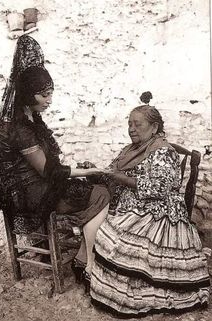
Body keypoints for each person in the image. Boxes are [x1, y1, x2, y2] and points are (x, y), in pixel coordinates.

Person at [0, 35, 110, 281]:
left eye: (51, 94)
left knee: (94, 189)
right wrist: (87, 172)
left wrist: (77, 170)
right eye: (44, 95)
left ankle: (82, 256)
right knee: (102, 193)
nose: (49, 101)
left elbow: (49, 164)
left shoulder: (32, 120)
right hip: (34, 195)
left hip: (39, 187)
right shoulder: (20, 128)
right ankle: (86, 262)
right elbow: (48, 171)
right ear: (29, 95)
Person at [89, 105, 210, 317]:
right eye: (129, 124)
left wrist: (121, 178)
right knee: (104, 227)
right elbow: (113, 170)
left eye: (138, 124)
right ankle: (93, 273)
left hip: (160, 212)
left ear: (154, 127)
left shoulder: (163, 151)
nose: (132, 129)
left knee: (124, 244)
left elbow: (160, 188)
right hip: (135, 205)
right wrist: (98, 171)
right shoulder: (131, 150)